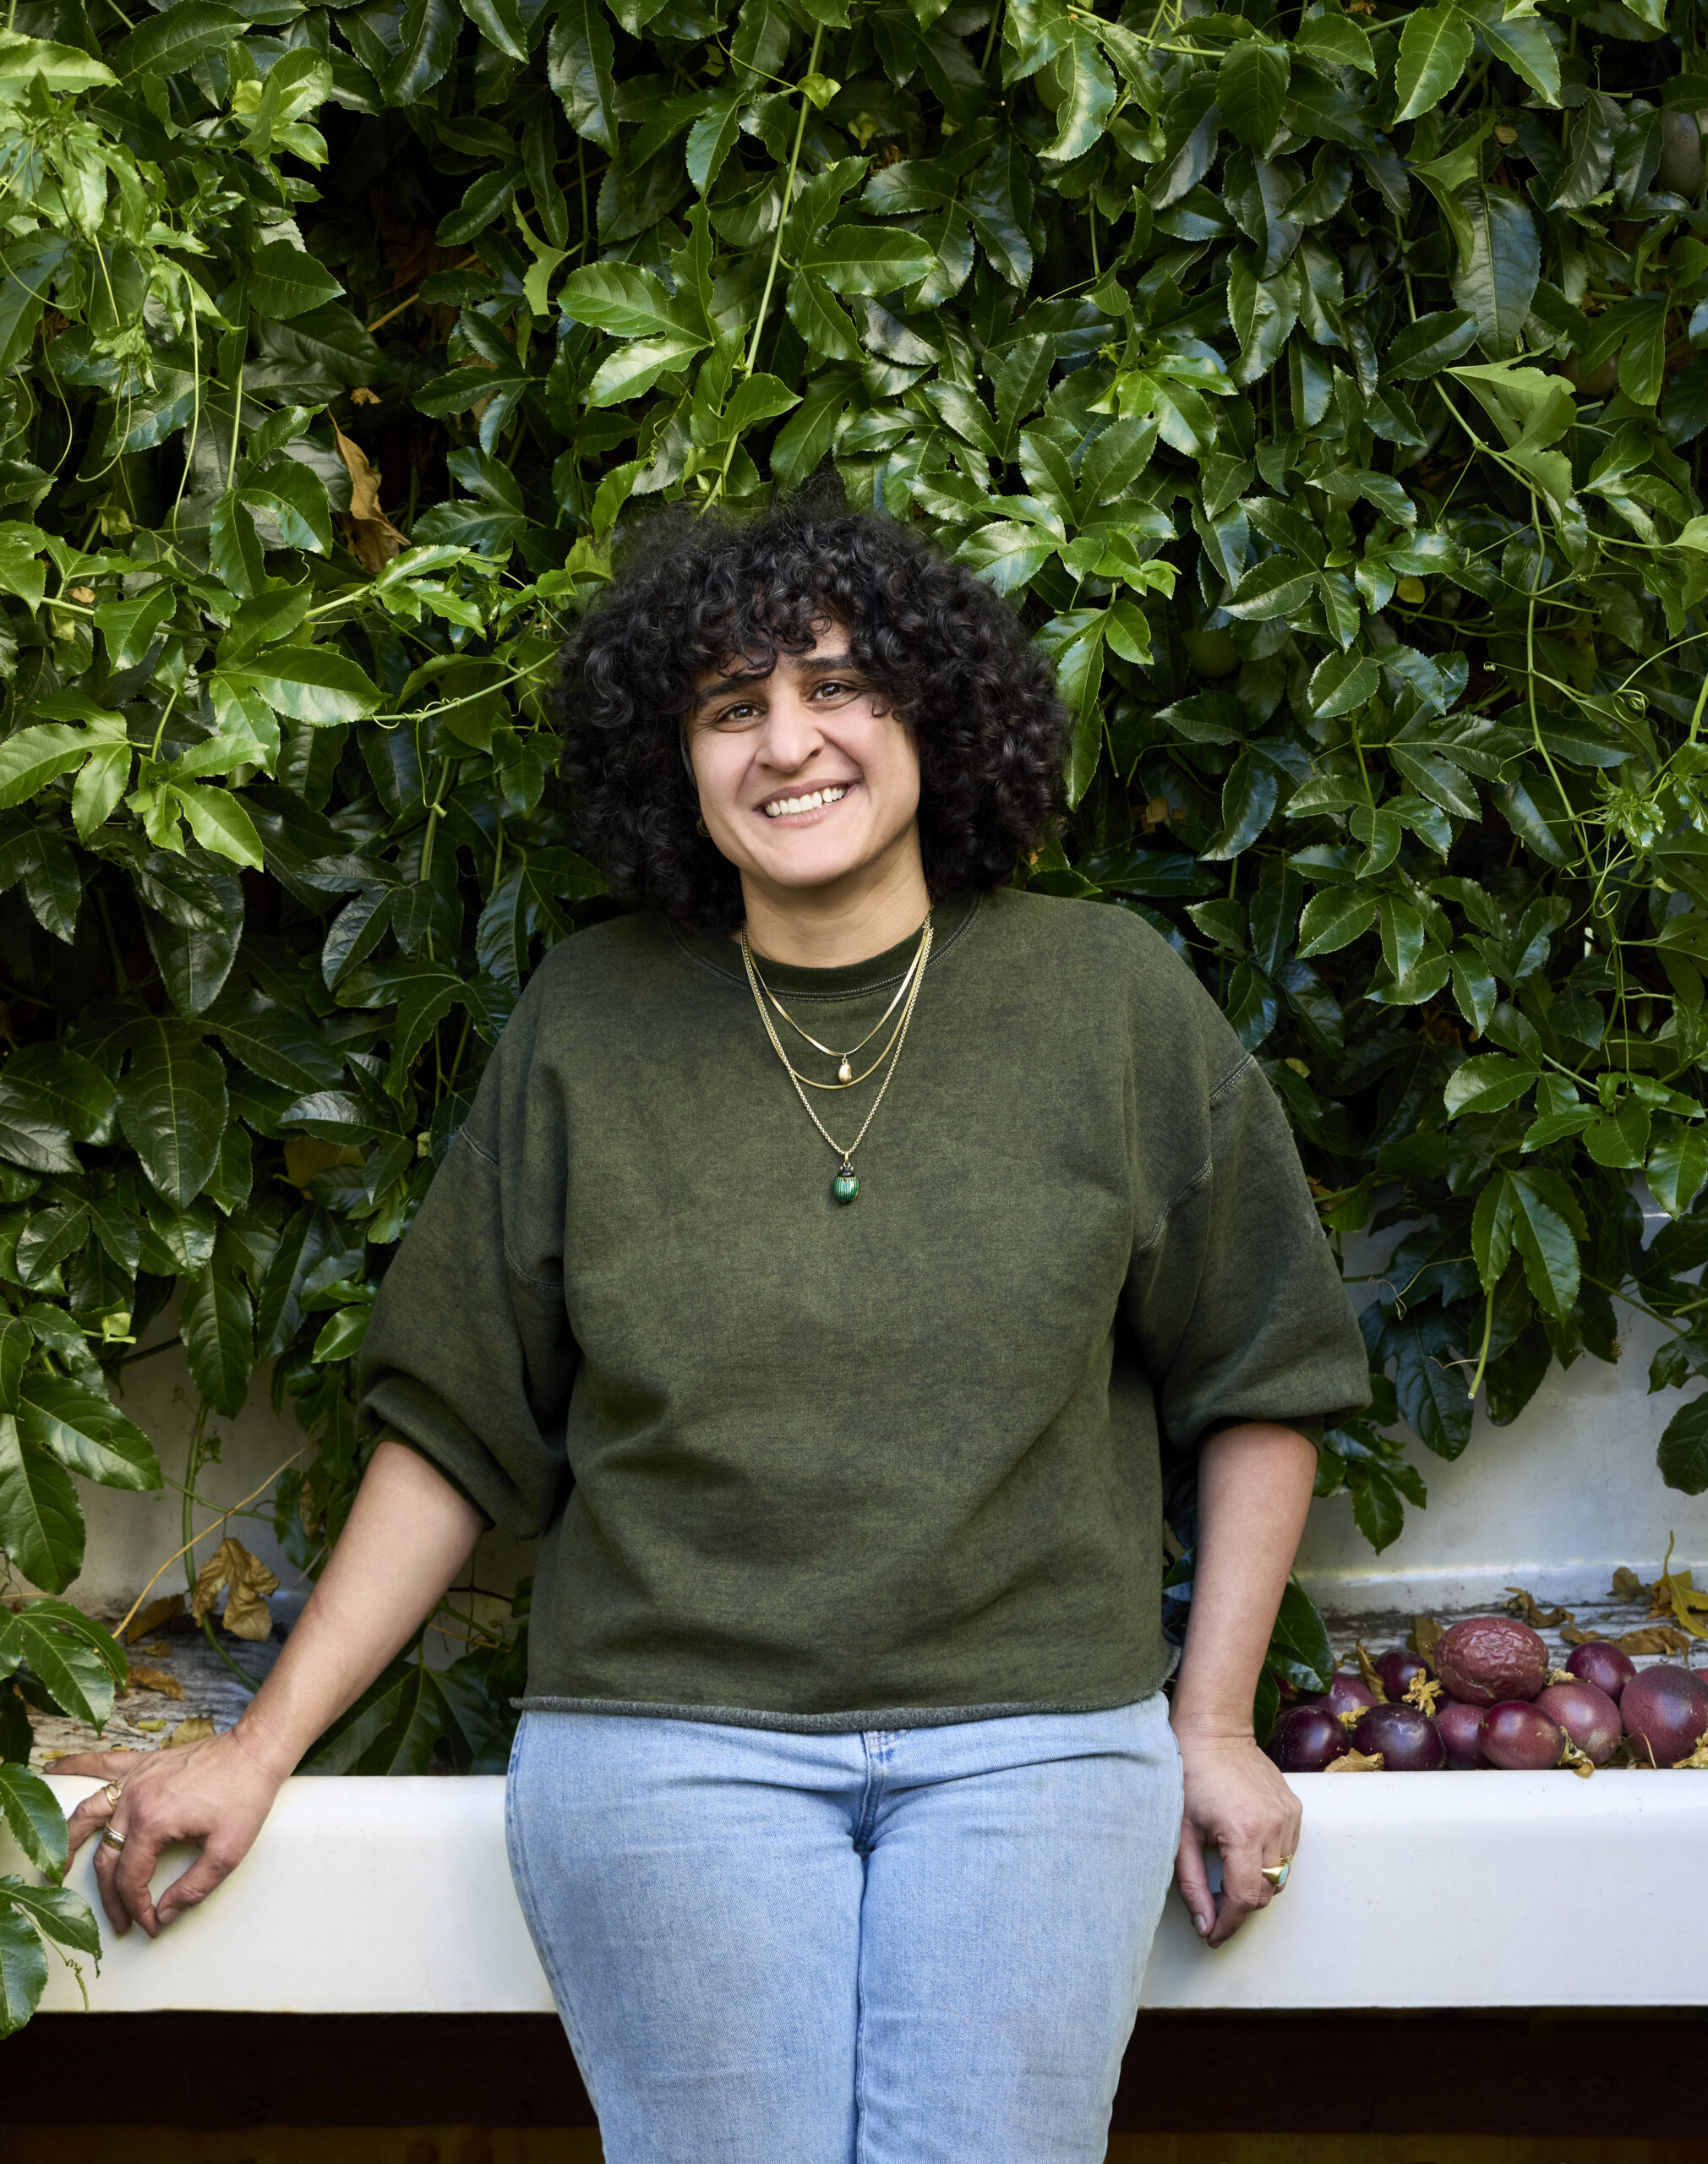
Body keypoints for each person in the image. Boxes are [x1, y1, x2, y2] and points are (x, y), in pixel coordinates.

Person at [63, 500, 1369, 2164]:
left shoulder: (1108, 998)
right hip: (664, 1751)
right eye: (730, 704)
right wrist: (255, 1747)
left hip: (1033, 1749)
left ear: (935, 717)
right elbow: (455, 1429)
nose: (788, 740)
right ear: (673, 757)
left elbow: (1261, 1369)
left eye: (839, 687)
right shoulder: (589, 1022)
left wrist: (1212, 1722)